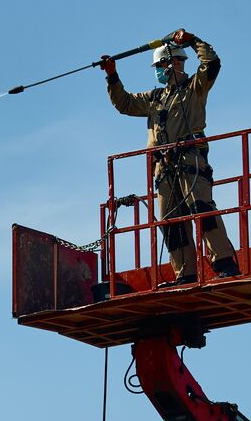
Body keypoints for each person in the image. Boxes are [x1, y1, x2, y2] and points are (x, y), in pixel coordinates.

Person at [99, 29, 240, 287]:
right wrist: (112, 76)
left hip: (190, 160)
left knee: (202, 210)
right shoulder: (155, 98)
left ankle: (225, 264)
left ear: (174, 63)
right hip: (163, 168)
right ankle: (185, 274)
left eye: (161, 64)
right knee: (171, 221)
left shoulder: (195, 88)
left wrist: (193, 41)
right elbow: (125, 104)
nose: (159, 70)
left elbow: (212, 63)